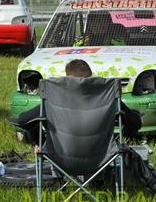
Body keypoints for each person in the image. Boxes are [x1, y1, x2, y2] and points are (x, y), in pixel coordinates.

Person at [12, 59, 142, 146]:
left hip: (61, 158)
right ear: (90, 79)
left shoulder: (54, 102)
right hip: (102, 158)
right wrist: (120, 141)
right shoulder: (107, 100)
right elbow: (135, 123)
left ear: (67, 79)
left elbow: (23, 120)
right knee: (131, 116)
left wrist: (40, 142)